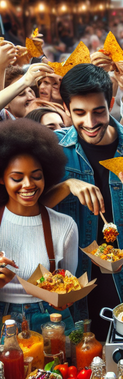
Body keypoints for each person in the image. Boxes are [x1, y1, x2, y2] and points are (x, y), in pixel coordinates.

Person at [47, 64, 123, 339]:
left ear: (111, 103)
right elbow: (28, 210)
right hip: (73, 296)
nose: (90, 123)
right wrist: (67, 185)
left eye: (98, 111)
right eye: (79, 113)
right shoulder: (52, 151)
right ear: (66, 109)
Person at [0, 118, 78, 334]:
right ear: (1, 178)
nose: (28, 185)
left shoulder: (65, 226)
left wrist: (63, 297)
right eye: (17, 178)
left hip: (51, 320)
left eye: (36, 176)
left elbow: (68, 288)